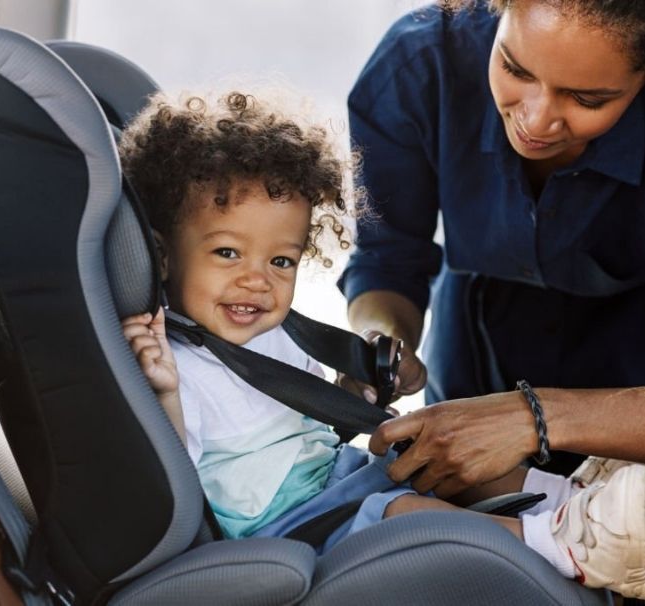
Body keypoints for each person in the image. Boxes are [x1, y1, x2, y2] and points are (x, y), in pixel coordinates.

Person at [117, 90, 644, 597]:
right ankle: (554, 543)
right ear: (163, 256)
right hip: (282, 524)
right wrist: (163, 392)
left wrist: (354, 390)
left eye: (281, 262)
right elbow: (173, 486)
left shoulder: (271, 331)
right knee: (406, 516)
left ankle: (571, 500)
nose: (258, 280)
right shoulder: (173, 362)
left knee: (434, 452)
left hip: (329, 482)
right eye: (228, 253)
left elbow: (305, 427)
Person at [338, 0, 645, 597]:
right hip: (477, 351)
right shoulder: (421, 63)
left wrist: (534, 417)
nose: (535, 119)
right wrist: (378, 341)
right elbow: (386, 259)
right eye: (514, 68)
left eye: (587, 100)